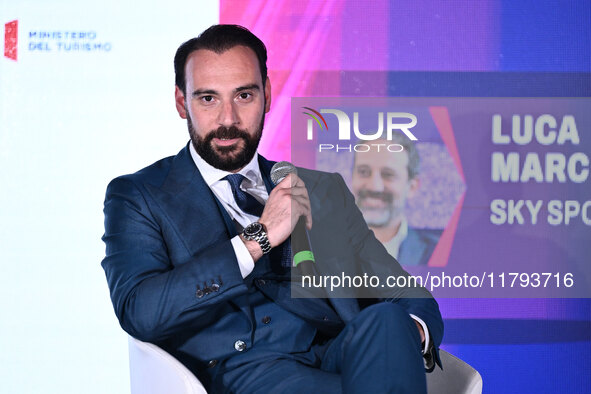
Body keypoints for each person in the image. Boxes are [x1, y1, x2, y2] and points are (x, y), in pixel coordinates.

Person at [101, 24, 443, 393]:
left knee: (388, 320)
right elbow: (139, 310)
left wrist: (405, 339)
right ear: (182, 102)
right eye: (208, 99)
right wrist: (257, 240)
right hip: (243, 372)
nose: (228, 119)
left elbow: (403, 292)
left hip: (336, 355)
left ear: (266, 94)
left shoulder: (321, 189)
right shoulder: (138, 195)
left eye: (244, 96)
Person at [351, 136, 442, 266]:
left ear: (412, 187)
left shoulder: (438, 254)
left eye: (388, 174)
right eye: (363, 172)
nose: (374, 186)